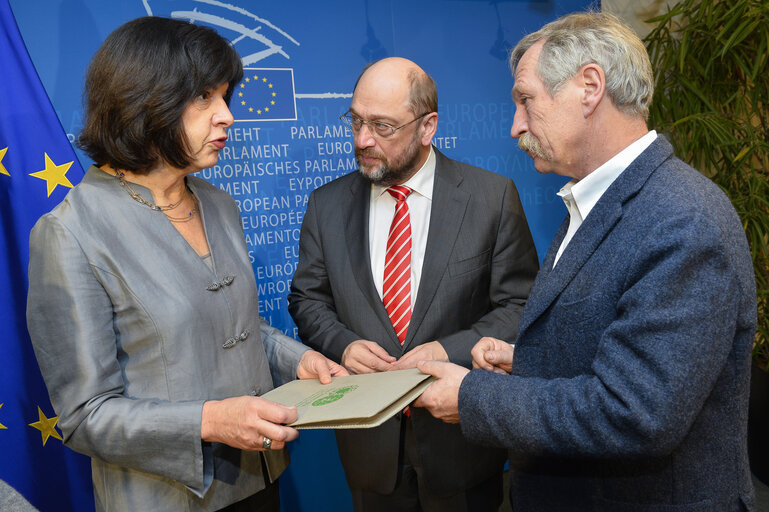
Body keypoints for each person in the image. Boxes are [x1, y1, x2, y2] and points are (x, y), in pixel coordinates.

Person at [414, 11, 758, 511]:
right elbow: (613, 342)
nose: (515, 126)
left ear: (590, 87)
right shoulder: (596, 200)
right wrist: (528, 362)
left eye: (526, 100)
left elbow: (634, 411)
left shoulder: (684, 220)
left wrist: (472, 396)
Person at [26, 17, 346, 512]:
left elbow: (237, 328)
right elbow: (86, 415)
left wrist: (297, 359)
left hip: (261, 478)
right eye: (204, 97)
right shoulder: (71, 233)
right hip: (167, 499)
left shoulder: (217, 203)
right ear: (144, 100)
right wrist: (211, 421)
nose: (227, 116)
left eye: (225, 96)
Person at [287, 57, 539, 511]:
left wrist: (449, 350)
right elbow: (308, 299)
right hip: (369, 450)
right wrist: (342, 344)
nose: (363, 140)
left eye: (383, 126)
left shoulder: (490, 198)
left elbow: (520, 305)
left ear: (428, 127)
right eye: (357, 121)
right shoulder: (326, 206)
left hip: (462, 446)